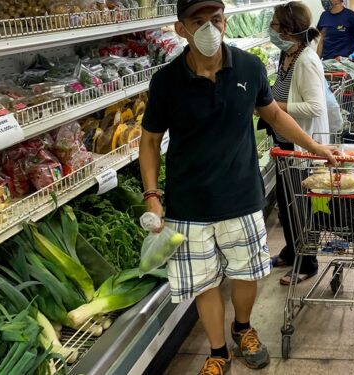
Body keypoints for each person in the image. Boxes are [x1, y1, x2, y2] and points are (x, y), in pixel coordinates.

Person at [138, 0, 337, 373]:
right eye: (197, 22)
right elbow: (149, 140)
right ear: (180, 29)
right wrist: (152, 196)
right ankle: (217, 352)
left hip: (242, 196)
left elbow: (274, 114)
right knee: (205, 283)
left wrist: (315, 148)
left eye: (214, 19)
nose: (208, 29)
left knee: (247, 274)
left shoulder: (249, 67)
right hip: (188, 203)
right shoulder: (166, 81)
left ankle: (242, 327)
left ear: (225, 22)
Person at [266, 2, 330, 286]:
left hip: (303, 147)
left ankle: (308, 262)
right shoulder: (288, 54)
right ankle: (292, 251)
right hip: (285, 144)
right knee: (286, 203)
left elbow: (315, 107)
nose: (271, 29)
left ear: (289, 30)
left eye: (275, 24)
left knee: (302, 207)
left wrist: (274, 107)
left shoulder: (306, 60)